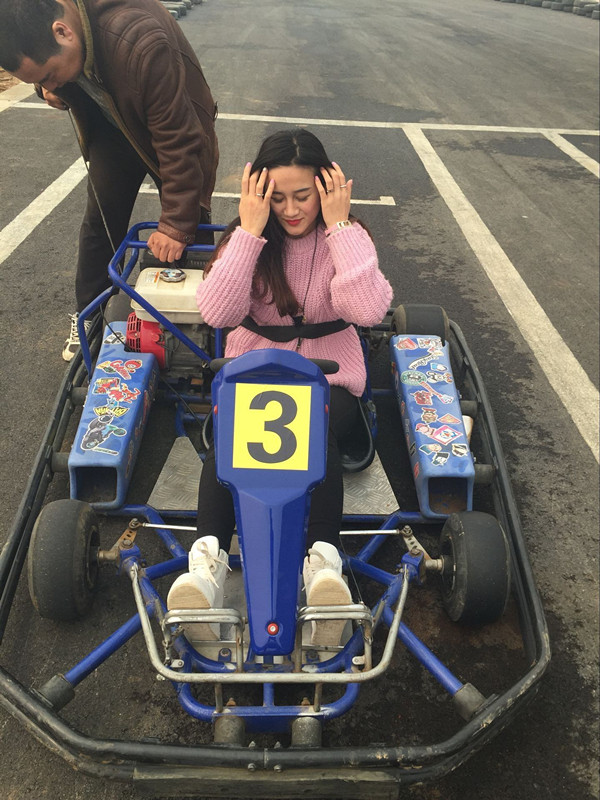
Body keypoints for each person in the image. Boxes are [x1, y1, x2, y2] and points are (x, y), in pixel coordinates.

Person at [167, 129, 393, 647]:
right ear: (260, 195)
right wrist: (249, 231)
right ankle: (205, 567)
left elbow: (367, 311)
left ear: (326, 188)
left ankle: (322, 565)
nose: (291, 210)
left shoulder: (348, 237)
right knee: (231, 437)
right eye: (278, 198)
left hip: (330, 375)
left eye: (303, 196)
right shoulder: (247, 239)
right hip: (253, 373)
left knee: (316, 426)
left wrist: (338, 225)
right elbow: (217, 312)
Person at [0, 0, 218, 360]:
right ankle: (90, 314)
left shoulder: (139, 40)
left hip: (174, 124)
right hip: (112, 122)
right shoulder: (54, 25)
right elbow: (49, 65)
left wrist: (176, 225)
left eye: (48, 76)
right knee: (100, 221)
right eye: (37, 82)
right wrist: (48, 87)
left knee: (188, 223)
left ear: (63, 32)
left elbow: (179, 141)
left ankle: (203, 323)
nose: (48, 87)